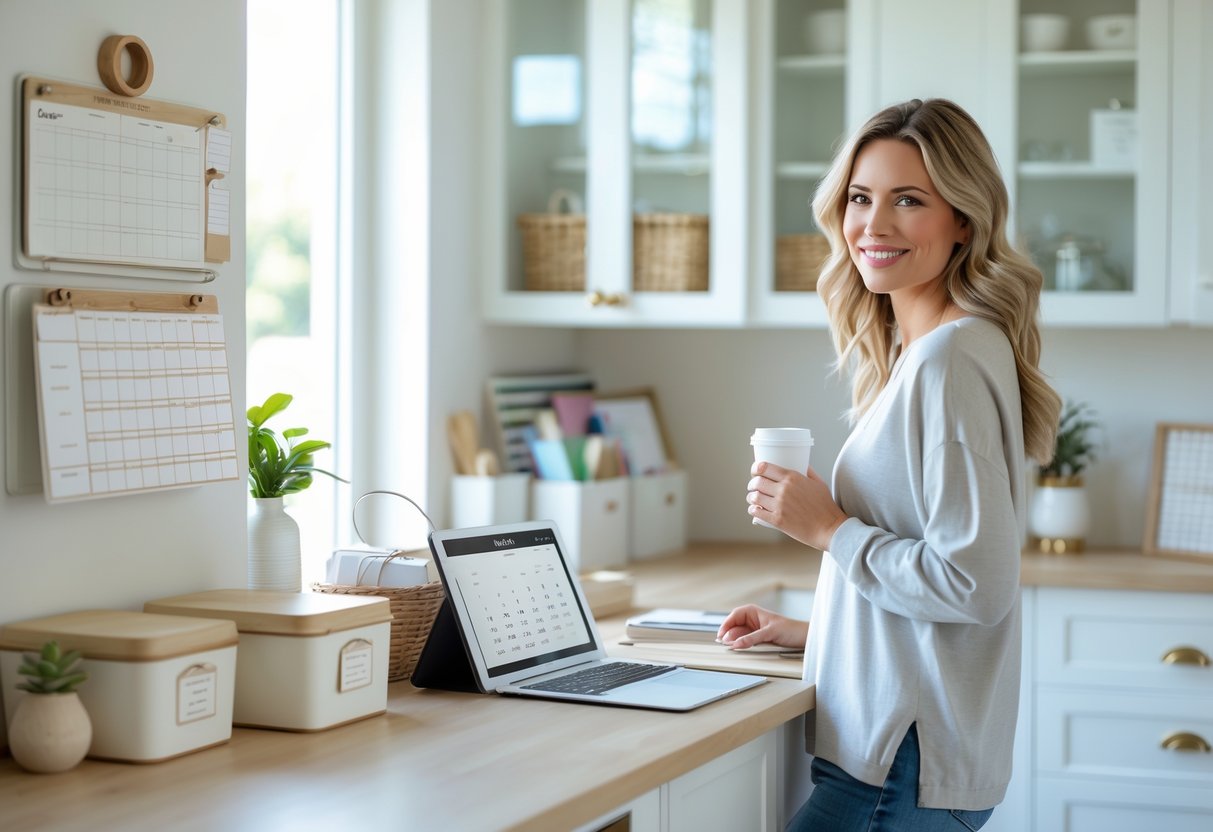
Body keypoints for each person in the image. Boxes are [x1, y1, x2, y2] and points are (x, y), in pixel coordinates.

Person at [718, 98, 1061, 831]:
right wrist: (817, 630)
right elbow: (934, 573)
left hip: (896, 768)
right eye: (859, 198)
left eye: (908, 201)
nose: (872, 225)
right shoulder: (929, 351)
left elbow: (974, 584)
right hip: (898, 754)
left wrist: (827, 530)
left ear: (962, 220)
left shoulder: (948, 361)